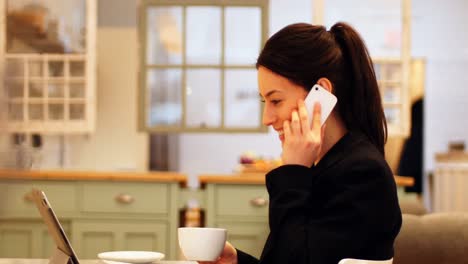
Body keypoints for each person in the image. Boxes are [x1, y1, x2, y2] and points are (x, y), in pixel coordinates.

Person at [203, 21, 402, 264]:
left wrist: (293, 172)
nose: (267, 119)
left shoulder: (362, 174)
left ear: (321, 94)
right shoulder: (330, 167)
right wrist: (237, 262)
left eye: (276, 101)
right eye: (265, 103)